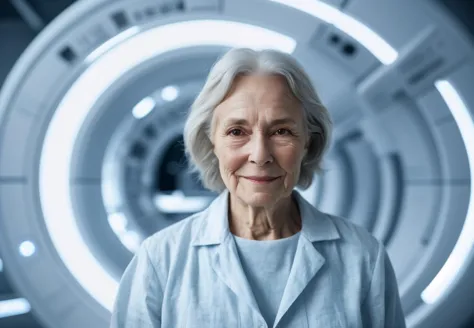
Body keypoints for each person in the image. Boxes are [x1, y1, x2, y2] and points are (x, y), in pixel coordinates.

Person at [110, 48, 406, 328]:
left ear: (308, 142)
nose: (260, 154)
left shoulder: (362, 256)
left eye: (281, 131)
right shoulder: (160, 259)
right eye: (237, 132)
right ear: (212, 143)